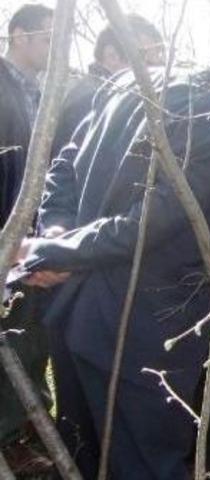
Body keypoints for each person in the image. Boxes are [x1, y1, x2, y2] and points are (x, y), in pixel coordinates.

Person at [21, 30, 210, 479]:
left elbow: (65, 164)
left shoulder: (135, 81)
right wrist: (55, 249)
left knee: (88, 459)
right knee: (144, 466)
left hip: (74, 316)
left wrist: (56, 234)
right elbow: (144, 226)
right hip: (142, 335)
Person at [0, 4, 54, 475]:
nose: (54, 47)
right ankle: (9, 434)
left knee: (33, 329)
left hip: (33, 235)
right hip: (6, 231)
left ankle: (33, 416)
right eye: (45, 37)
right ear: (18, 35)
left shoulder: (42, 92)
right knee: (10, 333)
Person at [51, 14, 164, 157]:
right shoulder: (90, 101)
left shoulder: (104, 95)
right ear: (112, 56)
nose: (154, 71)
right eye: (146, 61)